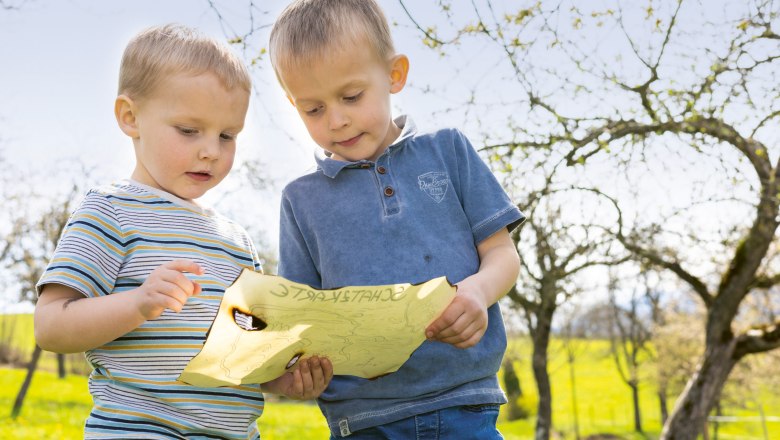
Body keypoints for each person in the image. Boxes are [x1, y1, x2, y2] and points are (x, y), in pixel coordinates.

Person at [34, 24, 332, 439]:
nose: (211, 149)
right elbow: (50, 326)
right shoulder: (110, 210)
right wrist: (137, 304)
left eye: (227, 135)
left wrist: (283, 379)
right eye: (189, 130)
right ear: (130, 116)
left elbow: (248, 354)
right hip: (140, 429)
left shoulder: (238, 243)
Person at [268, 1, 524, 438]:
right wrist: (292, 372)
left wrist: (478, 292)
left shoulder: (449, 152)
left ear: (394, 75)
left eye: (351, 97)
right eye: (313, 109)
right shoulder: (300, 201)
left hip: (465, 405)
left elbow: (502, 253)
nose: (337, 119)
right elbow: (297, 321)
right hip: (363, 422)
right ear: (293, 104)